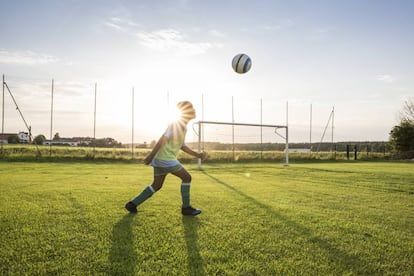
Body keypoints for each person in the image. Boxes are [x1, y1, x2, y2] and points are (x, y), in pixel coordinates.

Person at [125, 101, 207, 216]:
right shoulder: (176, 124)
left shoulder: (183, 127)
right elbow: (162, 139)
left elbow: (182, 145)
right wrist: (150, 156)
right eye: (191, 108)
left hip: (161, 160)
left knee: (157, 185)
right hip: (166, 159)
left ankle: (132, 204)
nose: (194, 110)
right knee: (187, 177)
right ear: (186, 112)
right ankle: (186, 208)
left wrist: (197, 155)